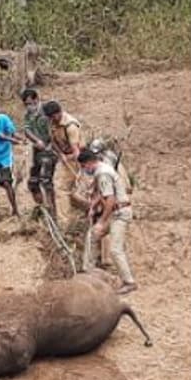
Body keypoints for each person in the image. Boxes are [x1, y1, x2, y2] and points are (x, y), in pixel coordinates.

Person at [79, 149, 136, 294]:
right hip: (115, 212)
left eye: (84, 166)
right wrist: (93, 205)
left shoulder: (103, 173)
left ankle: (129, 282)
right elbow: (103, 193)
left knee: (115, 249)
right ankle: (88, 272)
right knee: (92, 236)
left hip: (120, 214)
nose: (84, 170)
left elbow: (110, 200)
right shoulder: (102, 169)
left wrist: (102, 222)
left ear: (90, 163)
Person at [43, 100, 83, 229]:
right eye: (50, 117)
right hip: (64, 156)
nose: (53, 119)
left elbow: (77, 152)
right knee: (63, 189)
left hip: (77, 158)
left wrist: (67, 157)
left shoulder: (70, 126)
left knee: (62, 190)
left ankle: (64, 225)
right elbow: (53, 141)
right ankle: (84, 208)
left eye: (54, 116)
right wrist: (60, 154)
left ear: (59, 112)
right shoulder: (51, 123)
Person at [20, 88, 57, 220]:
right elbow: (27, 129)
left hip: (50, 150)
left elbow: (55, 130)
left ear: (36, 99)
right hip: (38, 150)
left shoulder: (47, 111)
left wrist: (48, 144)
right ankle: (43, 209)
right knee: (33, 182)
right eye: (26, 104)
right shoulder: (28, 115)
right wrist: (36, 140)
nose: (28, 106)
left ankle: (53, 214)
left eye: (30, 103)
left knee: (46, 181)